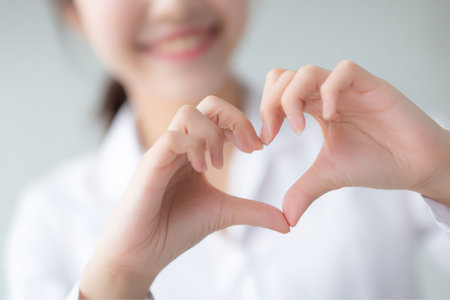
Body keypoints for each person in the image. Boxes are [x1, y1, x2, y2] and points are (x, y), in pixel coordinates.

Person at [5, 0, 450, 299]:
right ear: (74, 13)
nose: (175, 7)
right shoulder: (50, 215)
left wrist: (442, 173)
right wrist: (118, 282)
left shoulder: (394, 142)